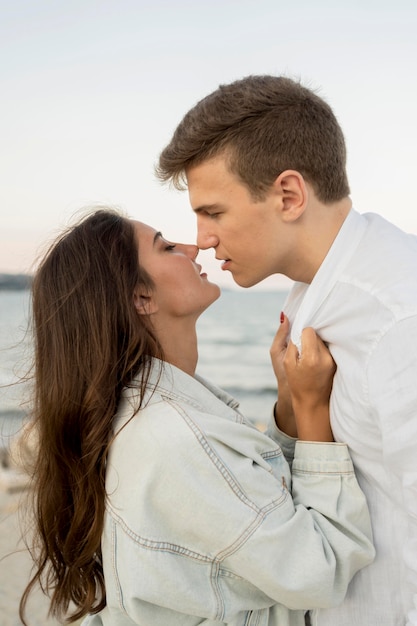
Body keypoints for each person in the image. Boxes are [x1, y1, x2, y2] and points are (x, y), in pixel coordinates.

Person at [19, 208, 374, 626]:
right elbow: (322, 570)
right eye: (167, 247)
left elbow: (247, 509)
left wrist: (290, 401)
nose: (194, 247)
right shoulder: (171, 436)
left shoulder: (142, 417)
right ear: (141, 298)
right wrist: (314, 408)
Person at [156, 74, 417, 625]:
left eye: (214, 212)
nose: (201, 237)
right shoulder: (316, 295)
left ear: (289, 195)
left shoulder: (399, 318)